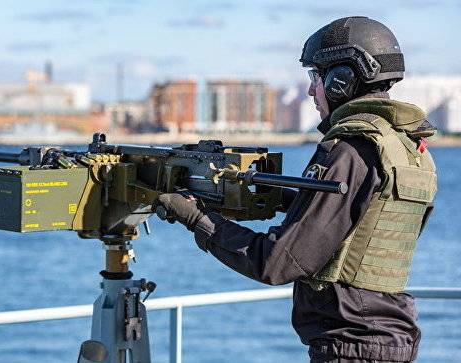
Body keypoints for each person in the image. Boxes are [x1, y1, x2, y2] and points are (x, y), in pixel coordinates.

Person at [154, 16, 437, 363]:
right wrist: (276, 199)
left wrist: (197, 217)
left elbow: (277, 263)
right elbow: (361, 226)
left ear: (340, 81)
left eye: (315, 78)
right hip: (389, 338)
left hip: (352, 346)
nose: (310, 91)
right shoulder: (406, 149)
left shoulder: (350, 150)